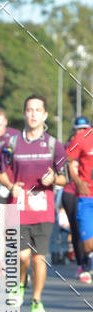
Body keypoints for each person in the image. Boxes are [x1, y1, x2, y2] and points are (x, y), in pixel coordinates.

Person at [0, 95, 66, 312]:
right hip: (17, 207)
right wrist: (10, 184)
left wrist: (53, 179)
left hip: (43, 209)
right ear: (24, 113)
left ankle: (36, 300)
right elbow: (0, 169)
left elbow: (65, 178)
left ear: (45, 115)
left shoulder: (54, 145)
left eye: (38, 110)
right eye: (29, 109)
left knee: (39, 258)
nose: (33, 114)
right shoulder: (13, 143)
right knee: (22, 256)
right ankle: (20, 283)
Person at [66, 116, 93, 285]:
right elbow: (68, 160)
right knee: (89, 242)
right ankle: (87, 263)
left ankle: (87, 266)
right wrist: (77, 180)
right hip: (87, 195)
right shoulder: (82, 138)